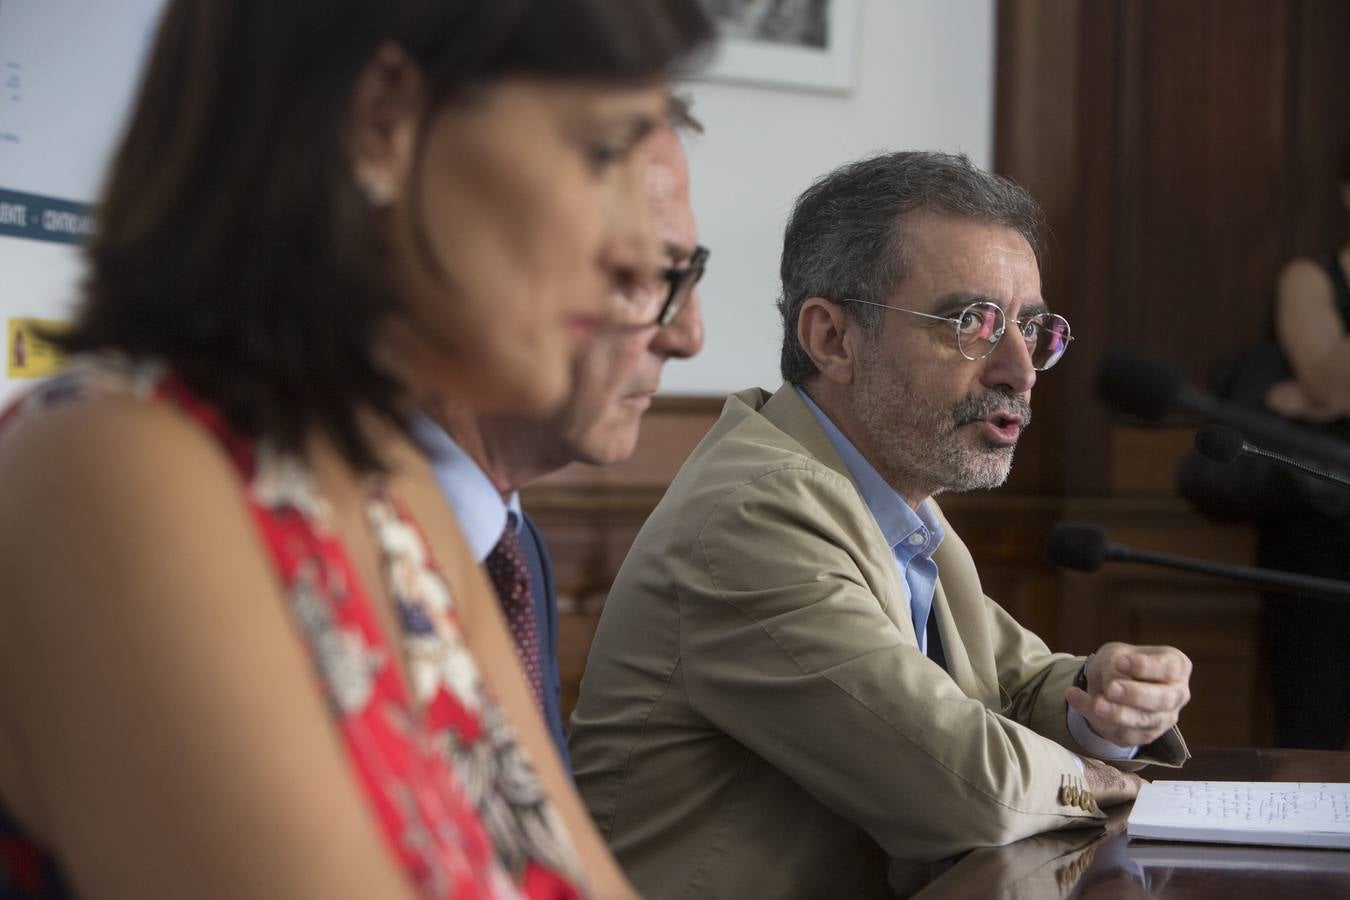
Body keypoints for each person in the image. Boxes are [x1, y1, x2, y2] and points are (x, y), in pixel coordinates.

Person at [0, 2, 711, 898]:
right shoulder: (115, 467)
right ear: (385, 120)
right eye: (601, 154)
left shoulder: (398, 494)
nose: (640, 256)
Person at [569, 151, 1193, 898]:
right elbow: (968, 784)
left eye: (1032, 328)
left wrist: (1104, 699)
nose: (1021, 371)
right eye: (972, 323)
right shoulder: (756, 515)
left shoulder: (894, 505)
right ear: (833, 339)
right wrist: (1095, 780)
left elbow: (1012, 686)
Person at [418, 97, 706, 767]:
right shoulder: (305, 527)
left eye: (686, 274)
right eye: (646, 273)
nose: (689, 335)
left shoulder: (515, 553)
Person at [1258, 147, 1350, 749]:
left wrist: (1318, 399)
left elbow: (1321, 392)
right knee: (1313, 722)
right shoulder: (1309, 277)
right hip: (1319, 527)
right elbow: (1335, 383)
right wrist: (1325, 397)